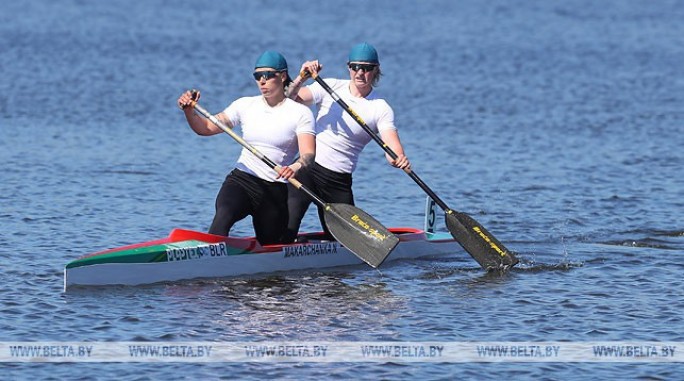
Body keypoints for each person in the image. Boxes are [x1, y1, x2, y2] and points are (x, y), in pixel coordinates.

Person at [177, 51, 316, 245]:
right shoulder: (244, 105)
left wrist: (294, 167)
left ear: (283, 76)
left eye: (267, 75)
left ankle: (288, 242)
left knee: (272, 244)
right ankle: (206, 260)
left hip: (273, 189)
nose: (262, 81)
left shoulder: (301, 113)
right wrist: (189, 110)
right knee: (223, 215)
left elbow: (308, 155)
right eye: (258, 76)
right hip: (242, 180)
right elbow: (205, 128)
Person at [285, 42, 411, 242]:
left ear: (376, 70)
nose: (360, 73)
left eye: (366, 68)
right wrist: (302, 77)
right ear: (348, 68)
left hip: (337, 181)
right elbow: (289, 99)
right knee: (286, 230)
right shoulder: (329, 86)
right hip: (306, 170)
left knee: (343, 243)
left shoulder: (380, 108)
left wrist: (399, 158)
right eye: (355, 67)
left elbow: (391, 146)